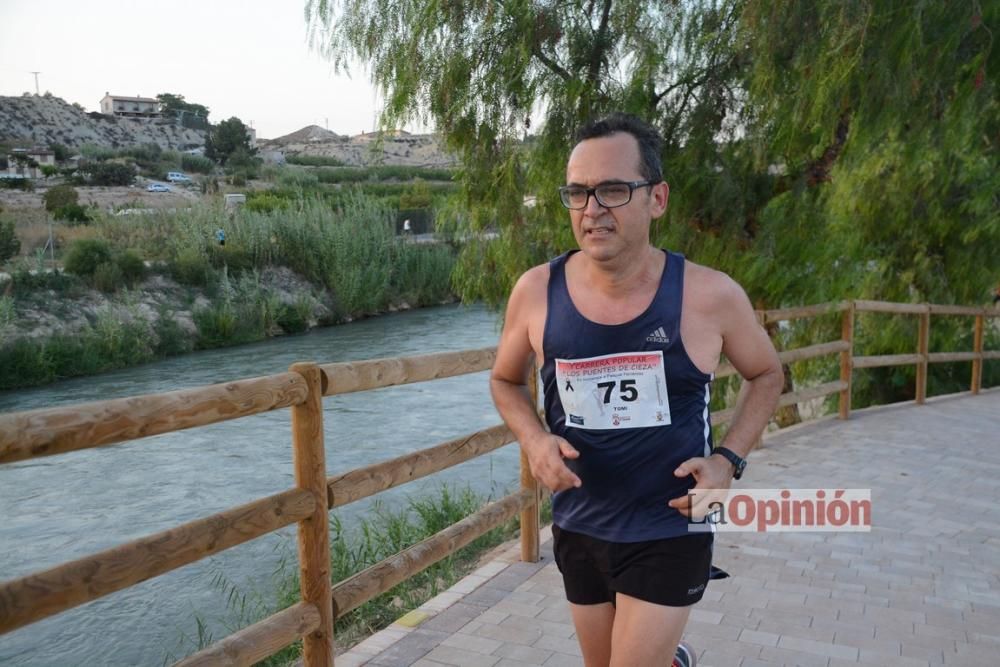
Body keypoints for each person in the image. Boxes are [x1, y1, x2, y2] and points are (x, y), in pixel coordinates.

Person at [490, 113, 783, 667]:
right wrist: (534, 440)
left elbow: (767, 374)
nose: (593, 209)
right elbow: (505, 380)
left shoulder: (709, 295)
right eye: (578, 193)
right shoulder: (535, 292)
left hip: (669, 523)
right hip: (579, 522)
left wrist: (727, 461)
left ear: (657, 198)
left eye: (614, 189)